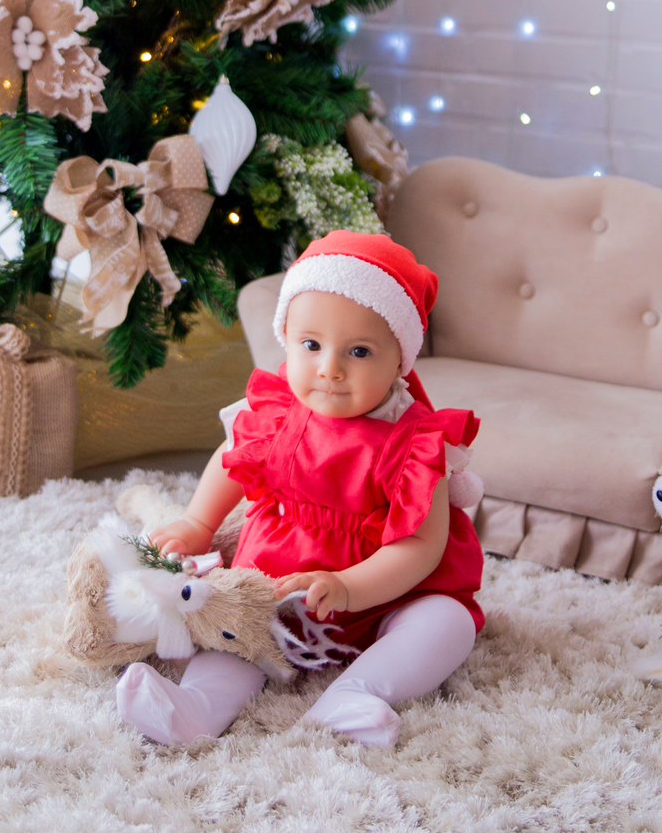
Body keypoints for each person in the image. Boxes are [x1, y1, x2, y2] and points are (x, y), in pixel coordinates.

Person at [116, 229, 484, 749]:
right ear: (287, 338)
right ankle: (195, 709)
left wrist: (351, 588)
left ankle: (356, 694)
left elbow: (420, 547)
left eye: (358, 351)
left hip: (386, 595)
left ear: (399, 359)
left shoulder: (415, 442)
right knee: (235, 631)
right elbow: (232, 461)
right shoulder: (275, 412)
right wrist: (198, 523)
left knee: (448, 623)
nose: (329, 369)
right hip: (279, 584)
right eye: (311, 345)